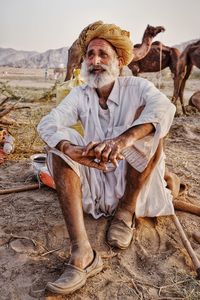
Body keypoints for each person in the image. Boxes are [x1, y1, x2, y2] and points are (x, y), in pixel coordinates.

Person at [37, 21, 176, 295]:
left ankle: (125, 212)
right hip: (94, 184)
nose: (95, 61)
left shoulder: (137, 87)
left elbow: (165, 108)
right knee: (59, 140)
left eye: (103, 55)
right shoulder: (80, 94)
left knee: (151, 129)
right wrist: (70, 149)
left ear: (119, 61)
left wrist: (124, 139)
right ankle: (83, 254)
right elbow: (48, 123)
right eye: (90, 54)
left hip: (134, 184)